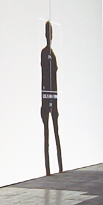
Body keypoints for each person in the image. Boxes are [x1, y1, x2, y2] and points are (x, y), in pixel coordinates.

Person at [41, 21, 63, 175]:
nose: (50, 35)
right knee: (47, 136)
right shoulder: (45, 53)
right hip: (47, 99)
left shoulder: (52, 53)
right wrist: (47, 101)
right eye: (48, 32)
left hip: (53, 99)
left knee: (55, 133)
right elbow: (46, 78)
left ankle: (59, 167)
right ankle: (48, 169)